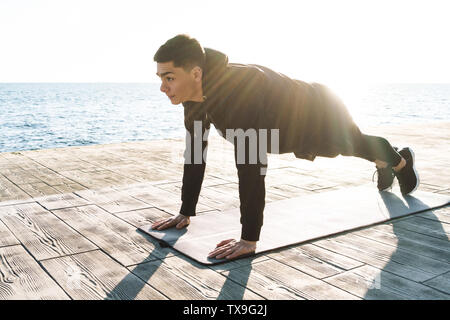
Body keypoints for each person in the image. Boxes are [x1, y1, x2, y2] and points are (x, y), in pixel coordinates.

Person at [151, 34, 420, 260]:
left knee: (356, 145)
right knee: (359, 147)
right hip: (287, 126)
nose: (163, 87)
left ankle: (399, 161)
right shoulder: (194, 98)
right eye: (160, 78)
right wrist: (185, 211)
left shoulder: (237, 94)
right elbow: (196, 152)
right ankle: (384, 161)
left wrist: (249, 239)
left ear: (195, 73)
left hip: (320, 112)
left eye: (169, 78)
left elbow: (250, 166)